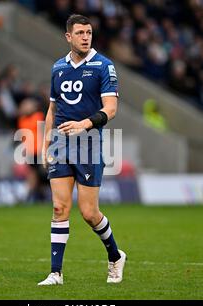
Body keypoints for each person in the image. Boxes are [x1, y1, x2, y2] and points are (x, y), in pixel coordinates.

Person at [38, 14, 126, 286]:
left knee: (88, 213)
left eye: (89, 32)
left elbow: (111, 109)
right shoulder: (57, 68)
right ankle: (56, 273)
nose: (86, 37)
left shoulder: (103, 66)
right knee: (59, 207)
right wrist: (45, 143)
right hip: (61, 144)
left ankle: (115, 255)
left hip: (88, 144)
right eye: (80, 33)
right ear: (68, 37)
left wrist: (84, 125)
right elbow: (53, 108)